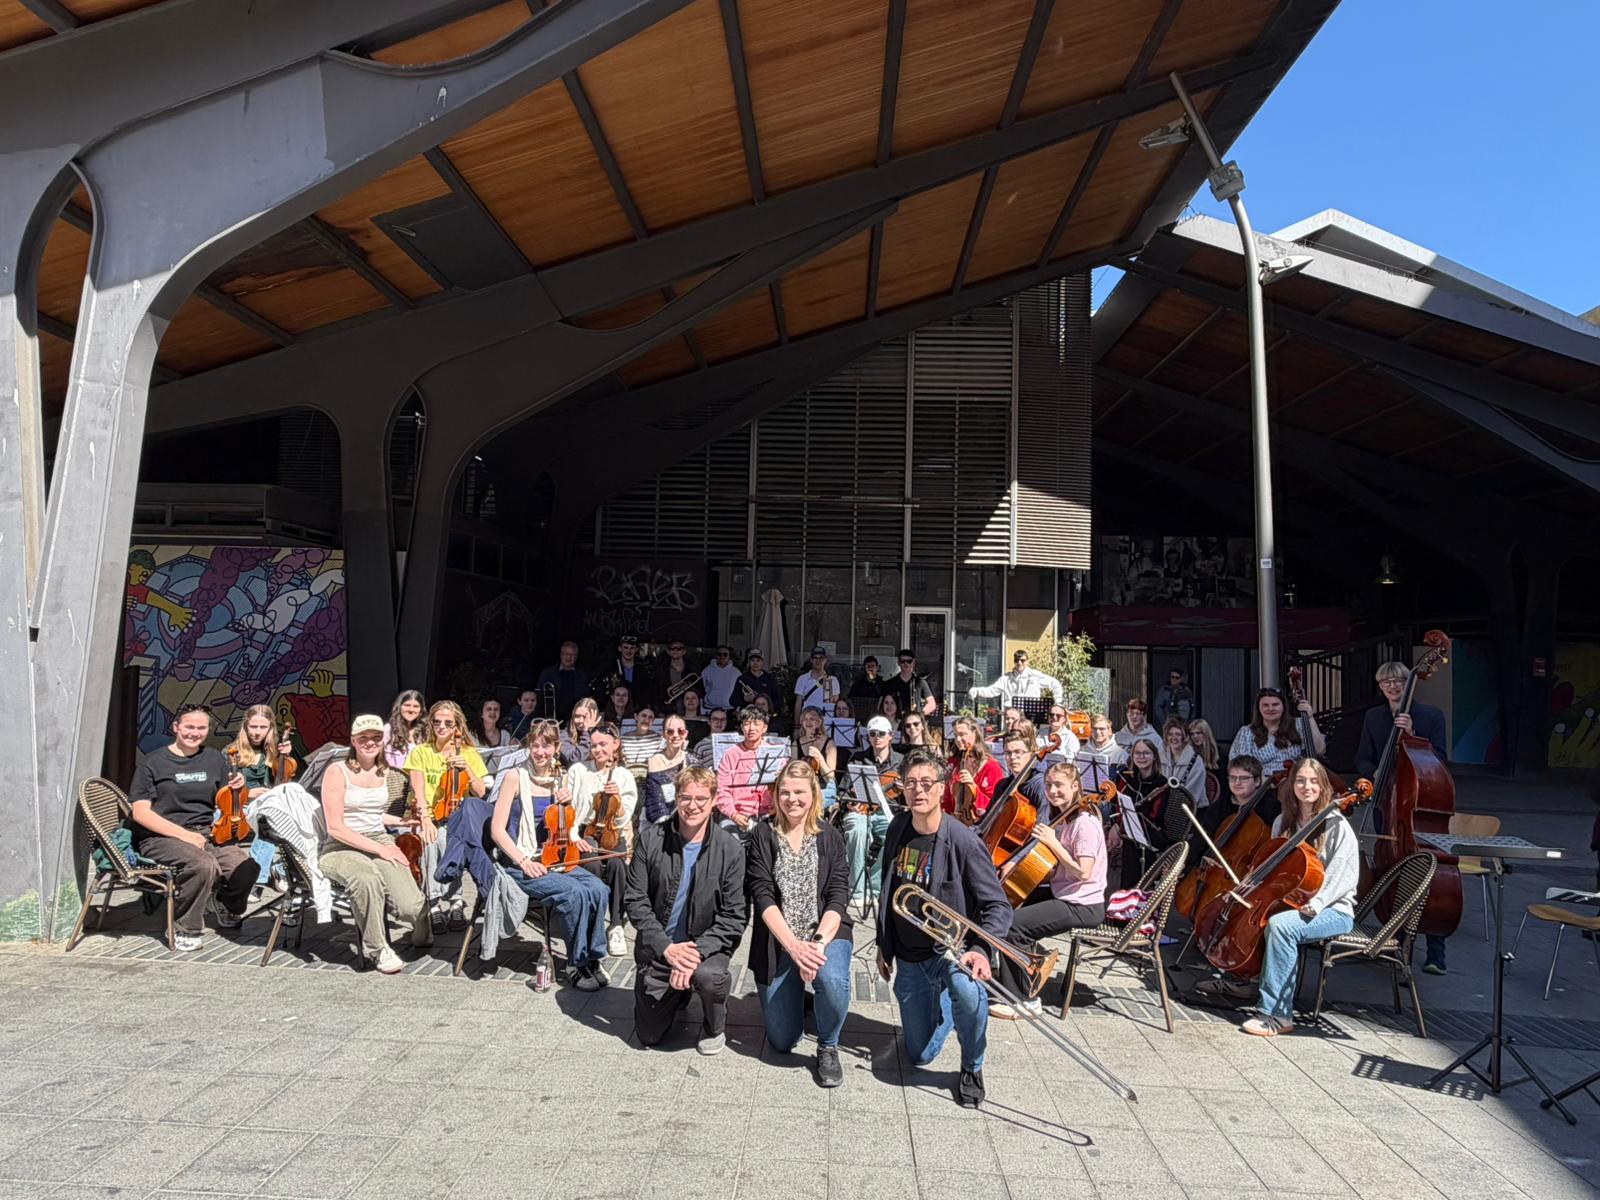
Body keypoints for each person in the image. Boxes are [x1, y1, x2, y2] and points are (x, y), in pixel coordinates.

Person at [875, 749, 1012, 1109]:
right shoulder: (898, 828)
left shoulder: (964, 840)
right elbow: (889, 891)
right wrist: (883, 945)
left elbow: (998, 905)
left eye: (926, 783)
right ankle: (947, 1008)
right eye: (910, 784)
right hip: (909, 957)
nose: (917, 791)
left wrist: (981, 951)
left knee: (968, 992)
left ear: (941, 789)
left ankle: (971, 1066)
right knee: (919, 1054)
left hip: (952, 952)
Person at [625, 766, 748, 1053]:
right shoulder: (650, 839)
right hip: (660, 948)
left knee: (710, 978)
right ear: (676, 798)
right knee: (649, 1036)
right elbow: (635, 900)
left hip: (705, 948)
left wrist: (695, 954)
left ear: (714, 800)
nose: (692, 806)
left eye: (701, 799)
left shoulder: (730, 849)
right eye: (685, 797)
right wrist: (667, 948)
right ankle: (676, 993)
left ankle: (713, 1025)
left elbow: (735, 915)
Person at [747, 761, 853, 1086]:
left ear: (813, 794)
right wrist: (794, 948)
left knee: (833, 981)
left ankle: (828, 1044)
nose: (792, 799)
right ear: (776, 795)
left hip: (824, 934)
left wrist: (816, 946)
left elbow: (837, 897)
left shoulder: (830, 836)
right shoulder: (762, 835)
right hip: (780, 940)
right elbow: (762, 896)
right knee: (782, 1041)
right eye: (785, 792)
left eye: (800, 793)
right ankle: (802, 996)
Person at [489, 719, 613, 990]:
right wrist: (522, 861)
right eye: (535, 746)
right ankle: (575, 963)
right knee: (574, 893)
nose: (540, 752)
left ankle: (593, 957)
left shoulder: (560, 778)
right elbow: (497, 830)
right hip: (520, 860)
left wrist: (568, 807)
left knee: (599, 889)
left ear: (557, 748)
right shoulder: (514, 777)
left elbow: (565, 828)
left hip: (553, 857)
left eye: (547, 746)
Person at [1241, 758, 1359, 1037]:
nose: (1307, 786)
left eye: (1314, 781)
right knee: (1249, 917)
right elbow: (1273, 869)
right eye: (1301, 780)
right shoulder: (1283, 822)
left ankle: (1277, 1014)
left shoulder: (1336, 824)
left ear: (1324, 786)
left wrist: (1316, 904)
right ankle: (1242, 981)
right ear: (1292, 786)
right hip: (1295, 901)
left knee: (1281, 926)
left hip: (1333, 909)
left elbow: (1342, 877)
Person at [128, 704, 261, 952]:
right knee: (202, 865)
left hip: (208, 832)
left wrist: (239, 787)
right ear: (176, 727)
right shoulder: (153, 763)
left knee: (248, 867)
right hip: (162, 836)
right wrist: (184, 835)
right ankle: (183, 927)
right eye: (189, 727)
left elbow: (227, 796)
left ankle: (224, 903)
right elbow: (140, 812)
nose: (195, 733)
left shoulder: (213, 758)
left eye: (201, 728)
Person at [1353, 660, 1450, 972]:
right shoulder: (1374, 717)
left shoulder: (1431, 716)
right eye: (1386, 682)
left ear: (1410, 684)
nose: (1392, 687)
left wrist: (1412, 735)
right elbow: (1362, 757)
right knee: (1389, 868)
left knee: (1430, 877)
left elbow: (1442, 760)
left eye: (1398, 681)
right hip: (1387, 804)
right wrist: (1373, 772)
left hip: (1418, 805)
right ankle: (1393, 938)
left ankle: (1436, 950)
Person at [992, 762, 1107, 1019]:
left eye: (1059, 785)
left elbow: (1083, 872)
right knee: (1006, 905)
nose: (1053, 791)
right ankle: (1028, 969)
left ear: (1075, 786)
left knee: (1013, 926)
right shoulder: (1063, 819)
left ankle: (1022, 999)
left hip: (1083, 904)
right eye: (1048, 785)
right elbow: (1059, 868)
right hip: (1065, 893)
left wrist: (1053, 842)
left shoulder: (1084, 824)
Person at [319, 714, 430, 973]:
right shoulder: (337, 771)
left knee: (409, 906)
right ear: (353, 741)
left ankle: (422, 919)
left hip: (378, 838)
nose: (370, 743)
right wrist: (381, 849)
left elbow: (371, 814)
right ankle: (377, 949)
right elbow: (336, 826)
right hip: (341, 846)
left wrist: (402, 823)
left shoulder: (384, 771)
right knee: (365, 878)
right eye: (364, 738)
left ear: (384, 740)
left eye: (376, 738)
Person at [405, 700, 490, 932]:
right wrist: (425, 820)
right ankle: (433, 903)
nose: (441, 727)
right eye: (437, 722)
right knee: (433, 839)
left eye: (448, 723)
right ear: (430, 725)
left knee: (452, 841)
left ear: (457, 727)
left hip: (459, 818)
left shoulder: (468, 753)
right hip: (430, 814)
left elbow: (481, 792)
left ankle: (454, 902)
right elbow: (418, 791)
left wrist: (466, 768)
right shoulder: (421, 752)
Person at [568, 722, 637, 957]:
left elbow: (622, 819)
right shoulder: (578, 770)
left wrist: (615, 799)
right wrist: (574, 837)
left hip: (610, 831)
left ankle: (616, 923)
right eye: (594, 745)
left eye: (603, 745)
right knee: (592, 861)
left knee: (618, 862)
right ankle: (593, 918)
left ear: (615, 745)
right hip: (582, 831)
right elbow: (569, 811)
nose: (598, 750)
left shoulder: (623, 775)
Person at [843, 715, 902, 905]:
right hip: (860, 810)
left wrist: (903, 789)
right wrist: (849, 803)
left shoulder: (901, 762)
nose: (877, 737)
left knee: (892, 834)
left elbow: (910, 795)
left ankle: (876, 889)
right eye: (872, 734)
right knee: (858, 832)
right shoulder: (858, 759)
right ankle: (857, 890)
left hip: (888, 812)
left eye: (881, 733)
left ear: (890, 736)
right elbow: (843, 791)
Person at [1229, 687, 1325, 782]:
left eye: (1275, 704)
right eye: (1265, 705)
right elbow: (1238, 766)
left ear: (1283, 707)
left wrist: (1310, 718)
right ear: (1258, 708)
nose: (1270, 708)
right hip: (1263, 784)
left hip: (1296, 781)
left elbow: (1319, 750)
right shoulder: (1247, 732)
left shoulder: (1299, 724)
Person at [1113, 738, 1171, 889]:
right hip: (1128, 831)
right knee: (1129, 849)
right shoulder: (1126, 778)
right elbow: (1117, 806)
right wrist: (1116, 825)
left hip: (1150, 834)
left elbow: (1155, 815)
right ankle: (1126, 898)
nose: (1141, 757)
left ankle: (1142, 898)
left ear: (1154, 756)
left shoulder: (1161, 783)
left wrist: (1132, 817)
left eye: (1146, 753)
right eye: (1137, 753)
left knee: (1134, 849)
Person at [714, 706, 779, 836]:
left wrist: (776, 806)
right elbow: (722, 789)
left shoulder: (775, 753)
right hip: (735, 815)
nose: (751, 728)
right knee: (730, 840)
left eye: (756, 724)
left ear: (764, 728)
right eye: (747, 724)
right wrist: (734, 814)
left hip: (767, 813)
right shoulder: (730, 754)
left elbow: (782, 787)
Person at [227, 704, 297, 796]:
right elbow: (223, 788)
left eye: (263, 727)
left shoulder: (278, 749)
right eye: (253, 727)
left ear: (271, 728)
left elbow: (292, 781)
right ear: (245, 726)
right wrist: (246, 794)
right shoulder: (232, 751)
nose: (257, 732)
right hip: (243, 805)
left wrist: (286, 756)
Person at [947, 715, 1003, 820]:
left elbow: (995, 805)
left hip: (979, 823)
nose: (958, 739)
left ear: (975, 734)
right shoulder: (953, 763)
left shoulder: (991, 766)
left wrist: (973, 787)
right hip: (953, 820)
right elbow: (947, 798)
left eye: (962, 734)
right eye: (955, 735)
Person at [968, 648, 1065, 709]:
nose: (1019, 663)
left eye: (1022, 660)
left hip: (1030, 715)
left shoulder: (1035, 675)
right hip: (1013, 716)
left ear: (1027, 662)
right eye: (1016, 660)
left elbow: (1054, 683)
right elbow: (992, 691)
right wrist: (977, 690)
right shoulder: (1006, 678)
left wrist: (1058, 702)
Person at [643, 715, 691, 825]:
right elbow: (654, 800)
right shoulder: (654, 761)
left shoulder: (692, 761)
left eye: (680, 731)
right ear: (663, 735)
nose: (676, 735)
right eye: (670, 732)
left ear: (686, 733)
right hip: (660, 819)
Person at [793, 705, 839, 810]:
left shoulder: (829, 743)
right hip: (803, 786)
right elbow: (793, 769)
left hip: (824, 786)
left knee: (810, 802)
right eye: (805, 719)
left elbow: (830, 776)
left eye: (812, 719)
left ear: (819, 722)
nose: (808, 722)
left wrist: (820, 758)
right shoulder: (796, 743)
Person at [1159, 717, 1209, 808]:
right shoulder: (1160, 758)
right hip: (1165, 807)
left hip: (1192, 810)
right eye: (1170, 734)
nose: (1174, 738)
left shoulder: (1196, 761)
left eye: (1178, 734)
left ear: (1185, 737)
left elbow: (1191, 795)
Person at [536, 640, 591, 723]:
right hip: (550, 719)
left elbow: (586, 698)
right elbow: (538, 695)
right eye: (566, 654)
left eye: (571, 655)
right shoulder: (547, 673)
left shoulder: (582, 676)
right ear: (561, 655)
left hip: (575, 720)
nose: (568, 657)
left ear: (576, 657)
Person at [600, 634, 654, 710]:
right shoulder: (610, 669)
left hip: (637, 711)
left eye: (632, 648)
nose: (629, 651)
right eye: (625, 647)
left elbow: (647, 693)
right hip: (614, 711)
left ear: (636, 649)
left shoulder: (643, 671)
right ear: (620, 648)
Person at [1075, 714, 1126, 792]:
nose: (1097, 732)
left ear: (1109, 731)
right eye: (1094, 729)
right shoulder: (1081, 752)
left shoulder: (1121, 754)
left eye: (1101, 729)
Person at [883, 649, 937, 719]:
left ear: (914, 663)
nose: (906, 664)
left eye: (909, 661)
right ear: (898, 663)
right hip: (896, 721)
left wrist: (920, 715)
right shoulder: (890, 683)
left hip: (914, 721)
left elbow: (932, 704)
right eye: (903, 661)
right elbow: (883, 704)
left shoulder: (920, 682)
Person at [793, 646, 841, 723]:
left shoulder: (833, 680)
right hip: (807, 721)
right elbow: (798, 704)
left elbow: (836, 704)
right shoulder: (802, 679)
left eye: (821, 658)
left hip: (826, 721)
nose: (818, 661)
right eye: (815, 658)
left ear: (825, 660)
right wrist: (796, 725)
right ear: (811, 660)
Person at [383, 689, 427, 770]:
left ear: (421, 710)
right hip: (393, 779)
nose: (411, 710)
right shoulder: (388, 730)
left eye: (416, 706)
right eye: (407, 705)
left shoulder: (426, 732)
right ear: (399, 707)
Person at [656, 639, 695, 716]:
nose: (675, 650)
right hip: (667, 711)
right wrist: (659, 711)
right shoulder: (661, 671)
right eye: (672, 648)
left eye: (679, 648)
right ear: (668, 652)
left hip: (688, 711)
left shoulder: (691, 671)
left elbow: (699, 691)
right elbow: (656, 693)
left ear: (684, 651)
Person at [1187, 718, 1223, 801]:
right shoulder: (1189, 753)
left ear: (1206, 734)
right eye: (1192, 734)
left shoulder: (1219, 753)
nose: (1195, 736)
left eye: (1198, 733)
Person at [701, 644, 742, 712]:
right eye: (719, 654)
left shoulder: (736, 672)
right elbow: (702, 687)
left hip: (730, 708)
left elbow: (740, 691)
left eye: (725, 654)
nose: (722, 656)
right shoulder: (707, 671)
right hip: (710, 707)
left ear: (729, 656)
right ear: (716, 656)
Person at [561, 697, 599, 767]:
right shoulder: (564, 735)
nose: (581, 720)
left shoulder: (601, 735)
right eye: (577, 716)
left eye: (585, 717)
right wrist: (586, 733)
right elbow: (575, 760)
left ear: (594, 717)